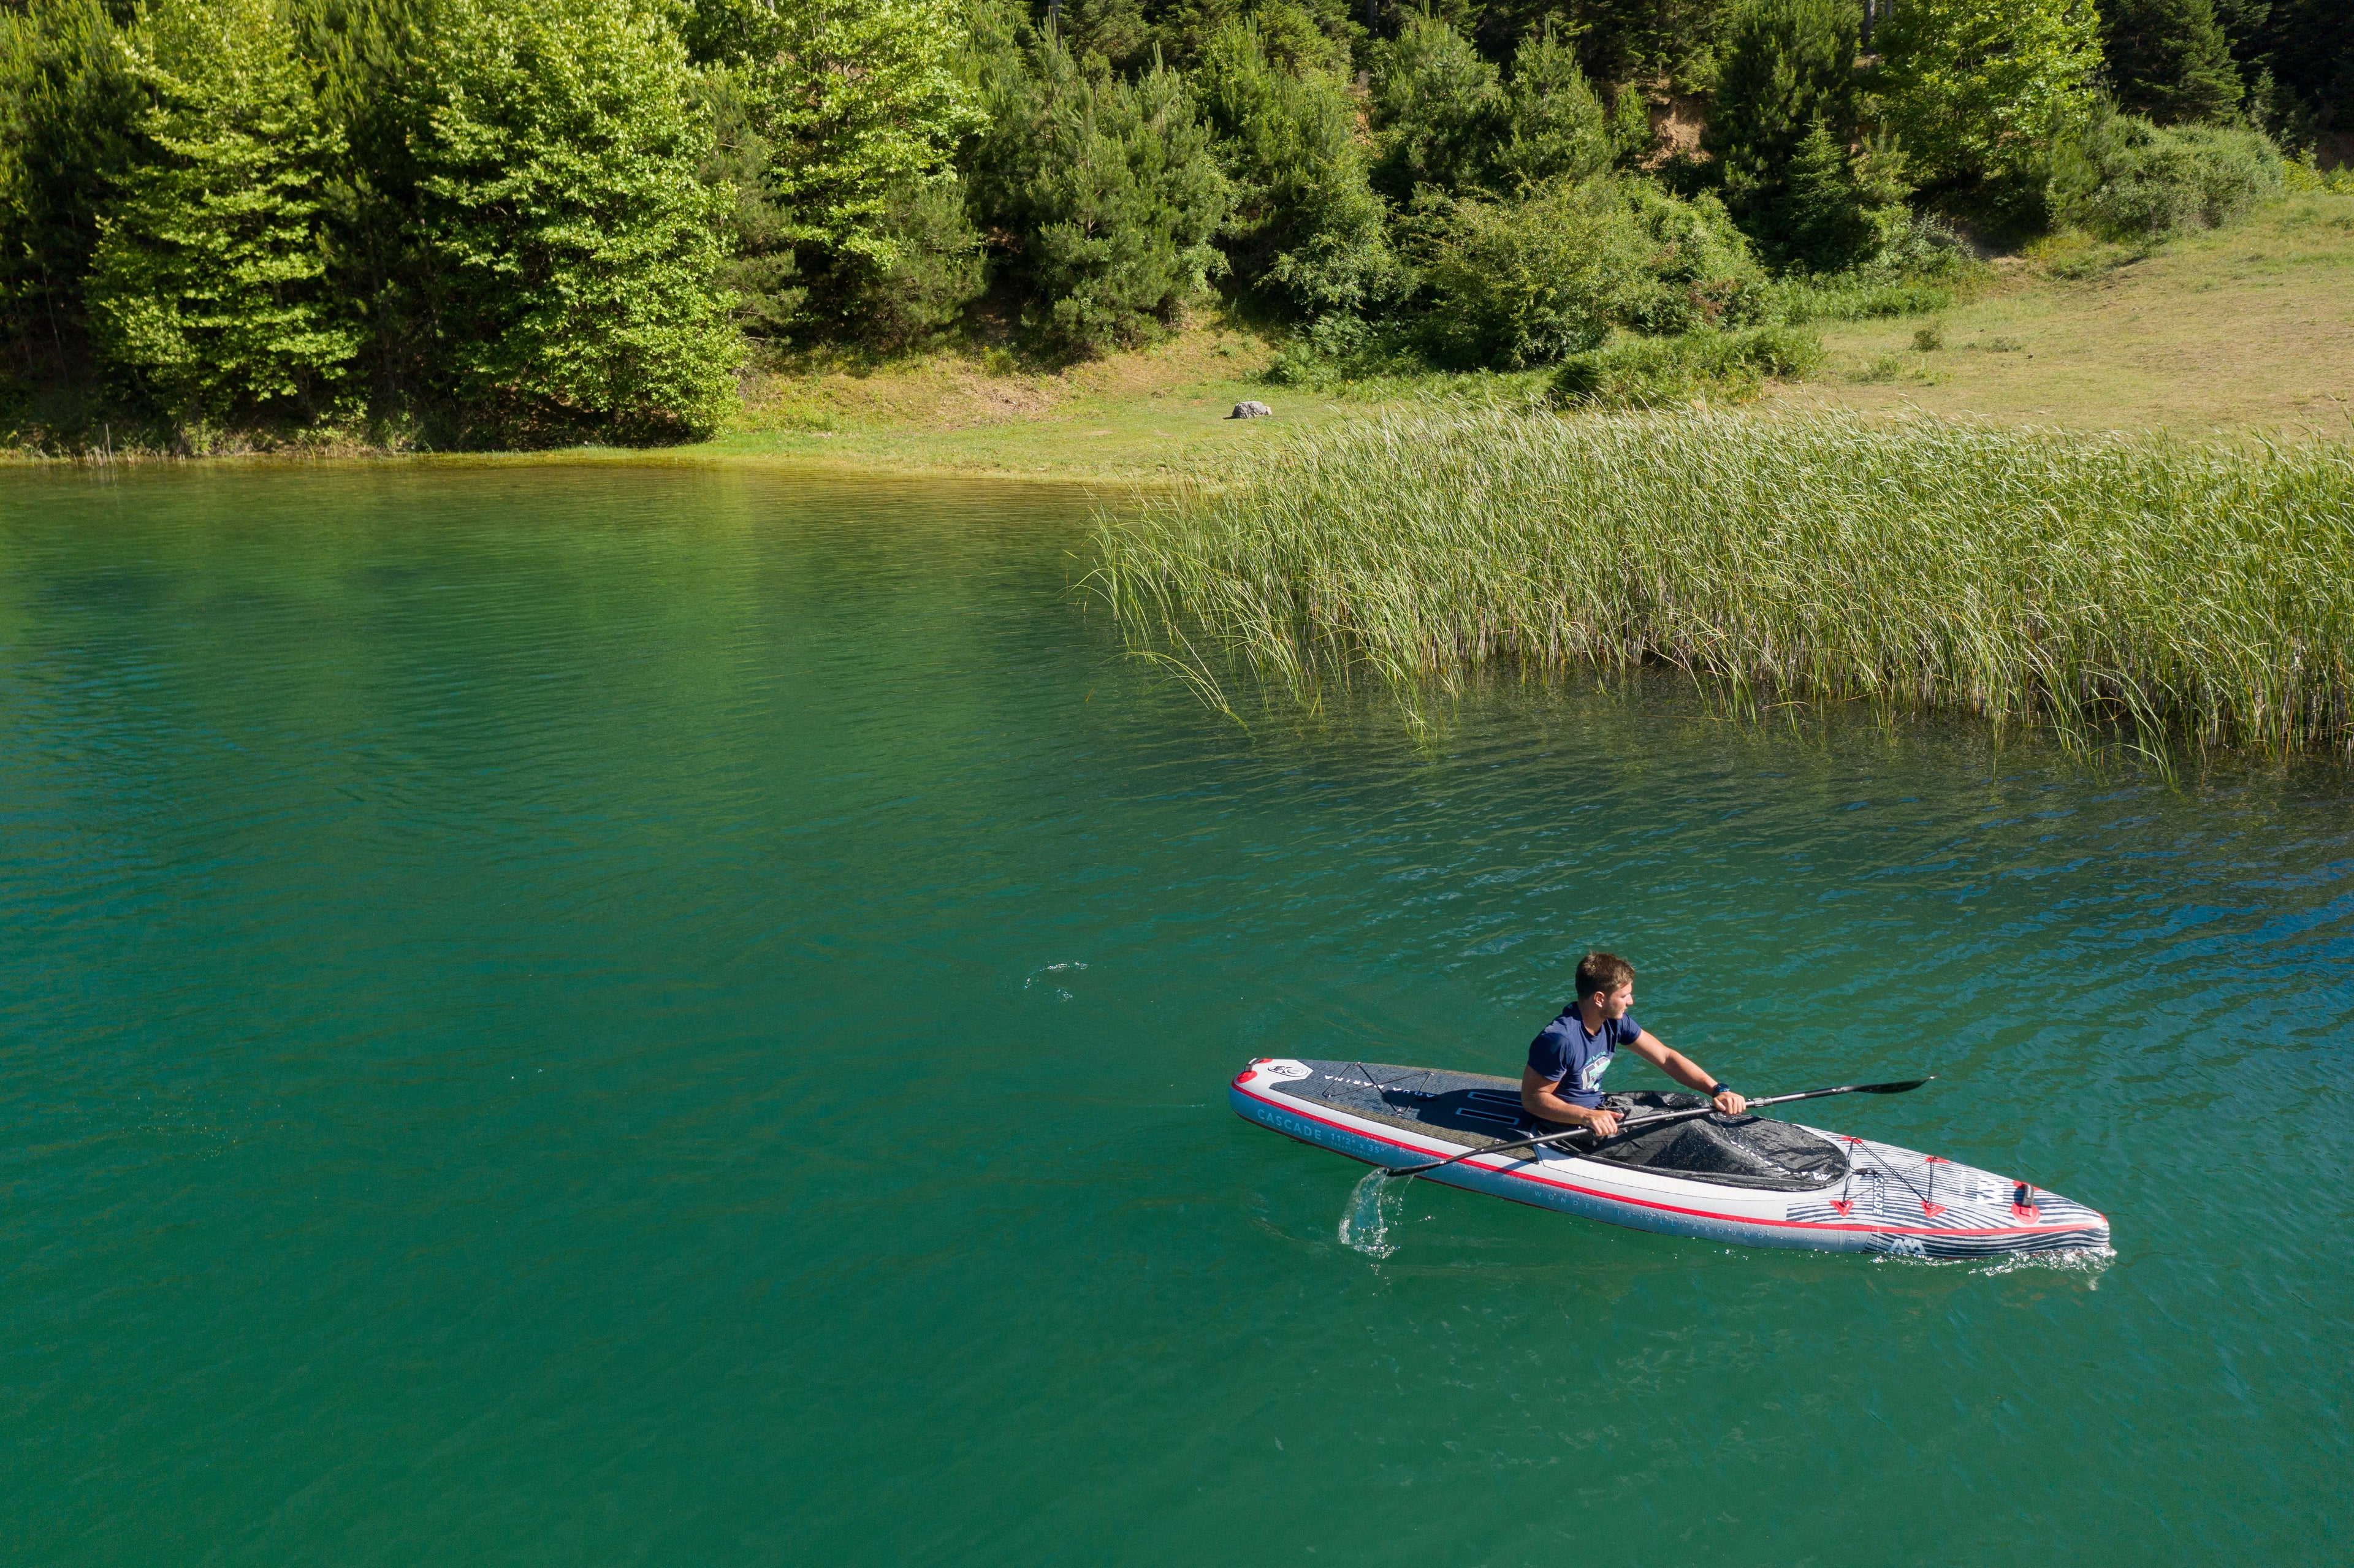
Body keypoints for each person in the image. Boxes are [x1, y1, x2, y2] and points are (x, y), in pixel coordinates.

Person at [1522, 952, 1747, 1138]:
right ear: (1600, 999)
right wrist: (1586, 1116)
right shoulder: (1559, 1040)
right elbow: (1533, 1099)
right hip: (1569, 1126)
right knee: (1684, 1133)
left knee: (1691, 1108)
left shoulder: (1613, 1022)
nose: (1631, 1001)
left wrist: (1717, 1090)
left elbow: (1665, 1057)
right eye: (1624, 996)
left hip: (1600, 1108)